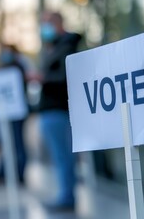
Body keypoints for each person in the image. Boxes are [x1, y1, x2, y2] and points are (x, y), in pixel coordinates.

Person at [38, 12, 81, 211]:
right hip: (50, 110)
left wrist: (42, 77)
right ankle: (65, 195)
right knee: (60, 156)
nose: (43, 28)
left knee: (63, 156)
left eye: (46, 23)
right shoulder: (55, 47)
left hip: (58, 109)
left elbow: (64, 77)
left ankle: (67, 197)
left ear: (56, 24)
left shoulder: (67, 46)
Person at [0, 44, 29, 186]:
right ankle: (6, 172)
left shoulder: (17, 67)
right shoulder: (5, 68)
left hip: (17, 112)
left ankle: (19, 173)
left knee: (17, 143)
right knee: (8, 143)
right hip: (7, 113)